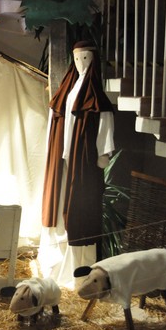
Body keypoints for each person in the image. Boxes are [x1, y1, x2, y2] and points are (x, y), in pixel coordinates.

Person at [38, 41, 116, 290]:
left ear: (93, 60)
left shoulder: (96, 97)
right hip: (63, 159)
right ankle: (55, 262)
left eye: (85, 58)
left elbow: (104, 124)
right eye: (77, 58)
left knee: (78, 209)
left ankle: (79, 271)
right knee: (60, 202)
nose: (81, 63)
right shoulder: (67, 90)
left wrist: (103, 153)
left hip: (82, 160)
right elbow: (56, 120)